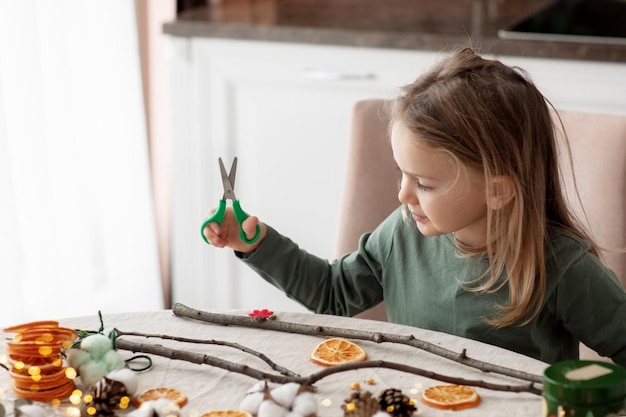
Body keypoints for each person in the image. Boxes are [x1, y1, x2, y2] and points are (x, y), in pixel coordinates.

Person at [202, 47, 626, 367]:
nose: (403, 196)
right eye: (403, 175)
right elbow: (333, 294)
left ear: (498, 190)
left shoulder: (561, 267)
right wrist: (254, 245)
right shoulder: (403, 232)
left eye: (423, 183)